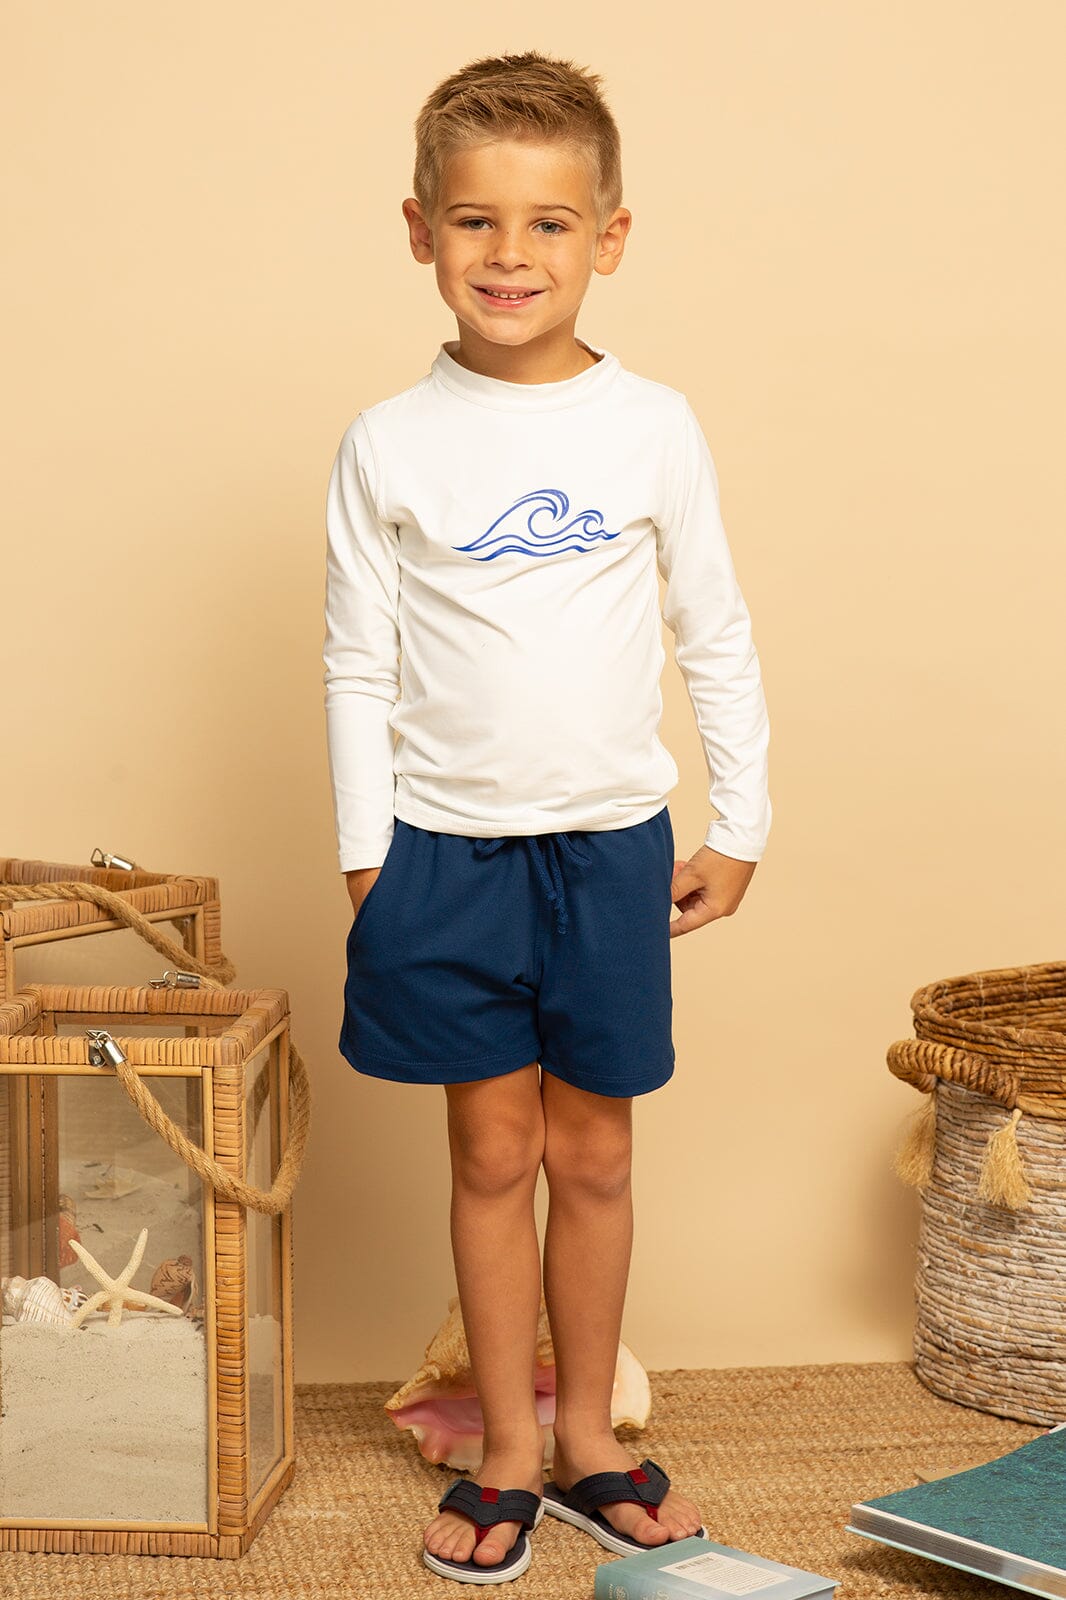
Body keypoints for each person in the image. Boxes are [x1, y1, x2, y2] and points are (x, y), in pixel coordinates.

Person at [322, 49, 771, 1586]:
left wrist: (739, 823)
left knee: (592, 1153)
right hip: (444, 853)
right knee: (491, 1150)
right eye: (473, 220)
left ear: (609, 237)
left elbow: (712, 629)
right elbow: (356, 657)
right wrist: (367, 854)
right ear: (419, 231)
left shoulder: (651, 425)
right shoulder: (388, 440)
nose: (509, 254)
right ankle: (507, 1447)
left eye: (549, 223)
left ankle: (586, 1437)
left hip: (610, 846)